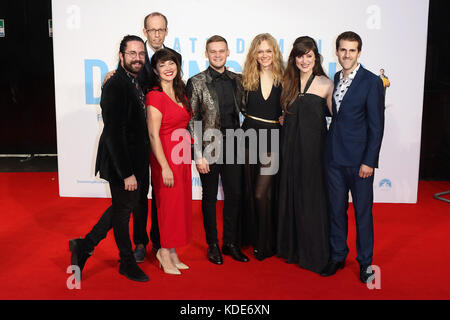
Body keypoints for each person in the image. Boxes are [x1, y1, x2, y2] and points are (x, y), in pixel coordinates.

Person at [99, 12, 182, 263]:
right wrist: (110, 78)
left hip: (160, 137)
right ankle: (139, 242)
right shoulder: (134, 58)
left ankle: (160, 241)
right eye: (152, 30)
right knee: (137, 195)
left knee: (160, 193)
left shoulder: (172, 59)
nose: (156, 34)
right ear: (145, 31)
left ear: (167, 31)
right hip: (137, 140)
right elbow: (123, 89)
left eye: (161, 30)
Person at [70, 35, 150, 282]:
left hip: (134, 159)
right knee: (123, 212)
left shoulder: (135, 81)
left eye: (141, 54)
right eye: (132, 53)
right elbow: (114, 133)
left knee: (121, 207)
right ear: (121, 56)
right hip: (121, 161)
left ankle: (84, 246)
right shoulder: (116, 85)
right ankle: (126, 262)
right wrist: (126, 172)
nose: (137, 58)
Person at [320, 31, 385, 284]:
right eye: (343, 50)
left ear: (359, 53)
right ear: (337, 52)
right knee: (336, 211)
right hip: (334, 158)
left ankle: (366, 262)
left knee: (362, 213)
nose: (347, 54)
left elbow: (376, 125)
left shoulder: (371, 82)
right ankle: (337, 255)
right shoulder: (335, 78)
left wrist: (369, 161)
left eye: (352, 50)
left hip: (360, 163)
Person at [187, 35, 249, 265]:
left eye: (221, 51)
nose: (217, 55)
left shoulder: (238, 80)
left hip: (234, 143)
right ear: (206, 53)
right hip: (209, 145)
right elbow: (192, 119)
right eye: (213, 51)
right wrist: (198, 154)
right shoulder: (196, 82)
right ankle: (213, 245)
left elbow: (248, 109)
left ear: (228, 52)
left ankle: (230, 243)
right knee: (210, 197)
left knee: (235, 194)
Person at [277, 36, 334, 274]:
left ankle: (314, 251)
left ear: (316, 57)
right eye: (300, 55)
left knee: (312, 198)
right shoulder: (287, 82)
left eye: (309, 55)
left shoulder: (326, 83)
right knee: (292, 193)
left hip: (314, 151)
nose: (304, 60)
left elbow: (337, 118)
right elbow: (283, 115)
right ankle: (293, 248)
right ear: (294, 58)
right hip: (289, 149)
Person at [146, 48, 192, 275]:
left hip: (182, 155)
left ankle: (173, 251)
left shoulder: (180, 92)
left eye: (172, 63)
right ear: (155, 69)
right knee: (168, 205)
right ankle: (163, 251)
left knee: (179, 205)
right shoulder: (155, 95)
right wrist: (164, 166)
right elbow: (153, 134)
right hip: (165, 156)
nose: (168, 68)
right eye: (163, 64)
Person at [240, 33, 284, 261]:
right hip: (247, 137)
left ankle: (267, 242)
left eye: (268, 50)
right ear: (254, 55)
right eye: (260, 51)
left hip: (272, 139)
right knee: (249, 192)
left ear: (274, 52)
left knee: (261, 194)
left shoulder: (285, 78)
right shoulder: (245, 78)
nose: (264, 55)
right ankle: (255, 239)